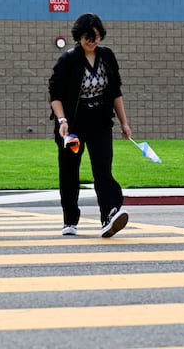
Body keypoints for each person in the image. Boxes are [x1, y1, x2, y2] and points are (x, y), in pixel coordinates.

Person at [48, 13, 132, 238]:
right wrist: (62, 121)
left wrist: (124, 123)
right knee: (70, 171)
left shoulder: (107, 57)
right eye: (87, 37)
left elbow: (115, 91)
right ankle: (70, 218)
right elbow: (55, 94)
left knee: (103, 169)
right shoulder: (68, 60)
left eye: (96, 37)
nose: (92, 41)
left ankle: (109, 215)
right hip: (73, 125)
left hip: (100, 123)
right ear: (79, 37)